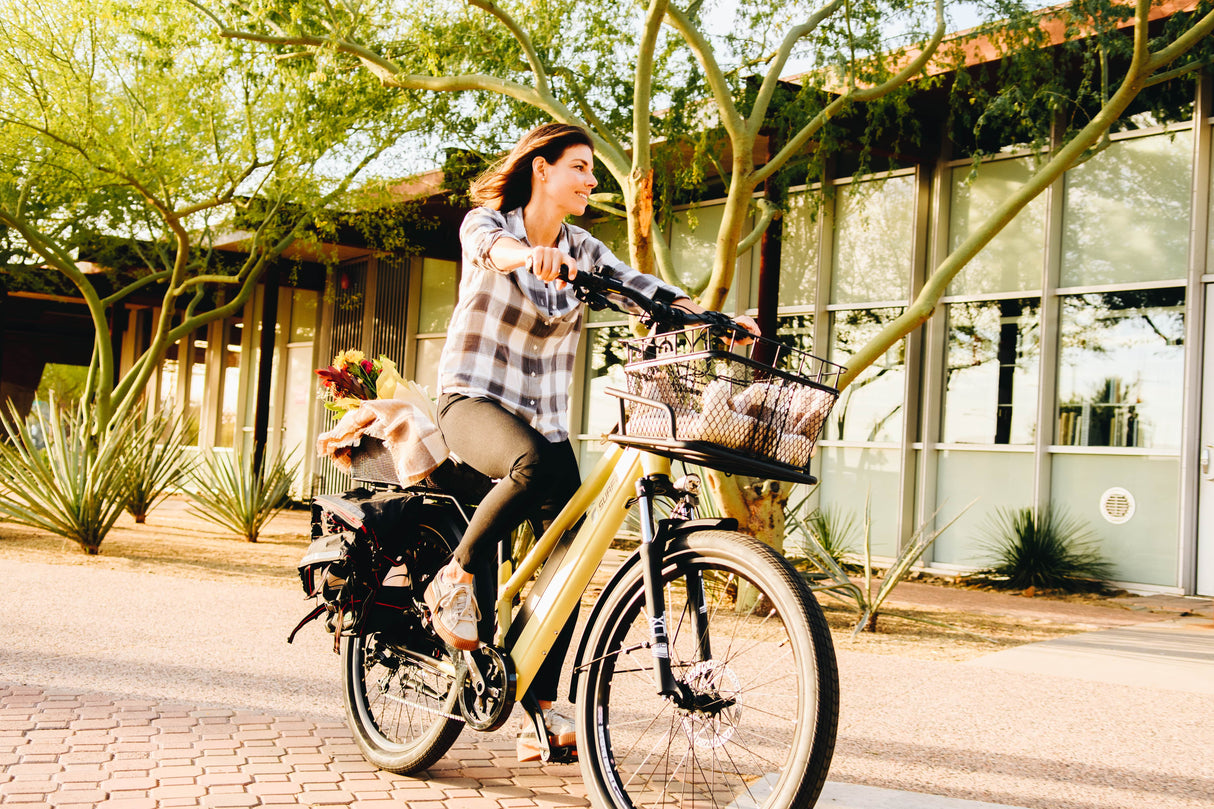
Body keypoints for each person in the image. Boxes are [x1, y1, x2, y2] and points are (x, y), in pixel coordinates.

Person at [426, 122, 757, 760]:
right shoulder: (487, 223)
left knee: (572, 558)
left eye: (591, 169)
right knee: (531, 465)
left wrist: (714, 320)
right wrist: (531, 257)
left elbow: (643, 290)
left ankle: (542, 707)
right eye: (579, 166)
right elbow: (494, 252)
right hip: (471, 401)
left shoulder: (584, 247)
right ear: (541, 168)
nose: (590, 179)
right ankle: (456, 575)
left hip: (544, 421)